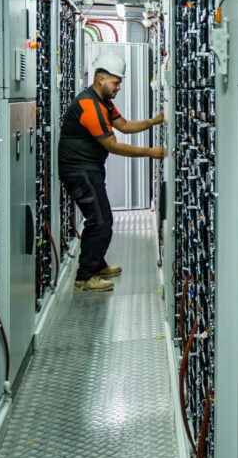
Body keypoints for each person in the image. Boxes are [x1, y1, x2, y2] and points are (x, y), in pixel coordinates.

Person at [58, 52, 165, 291]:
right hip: (79, 171)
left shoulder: (103, 102)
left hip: (89, 169)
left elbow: (125, 126)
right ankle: (85, 277)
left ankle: (97, 264)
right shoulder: (88, 106)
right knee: (100, 220)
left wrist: (154, 121)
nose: (118, 87)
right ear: (100, 79)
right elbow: (112, 145)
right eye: (116, 82)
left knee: (100, 218)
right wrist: (150, 152)